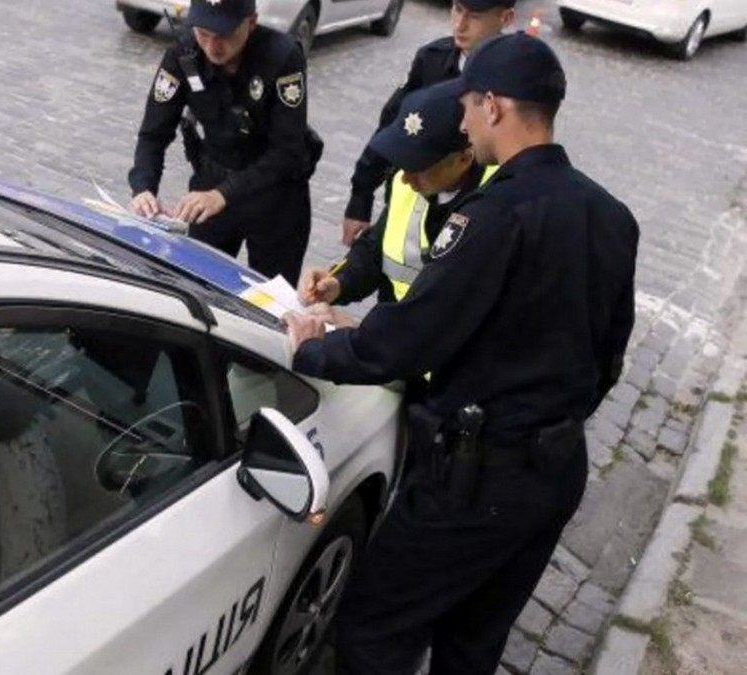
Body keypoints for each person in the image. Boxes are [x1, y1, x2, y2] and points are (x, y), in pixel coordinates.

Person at [284, 33, 639, 674]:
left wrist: (315, 350)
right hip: (555, 470)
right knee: (474, 641)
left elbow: (409, 339)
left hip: (474, 481)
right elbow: (609, 357)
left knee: (374, 625)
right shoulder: (611, 214)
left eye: (471, 108)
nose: (467, 125)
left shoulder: (493, 215)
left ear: (494, 106)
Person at [127, 0, 321, 286]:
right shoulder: (184, 54)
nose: (212, 46)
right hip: (213, 181)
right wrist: (144, 188)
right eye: (203, 33)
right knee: (195, 283)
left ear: (251, 23)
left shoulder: (281, 57)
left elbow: (288, 152)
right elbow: (153, 134)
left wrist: (224, 194)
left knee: (271, 299)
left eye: (224, 35)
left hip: (274, 195)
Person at [299, 81, 495, 326]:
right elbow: (378, 245)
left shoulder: (496, 207)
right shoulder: (408, 183)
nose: (405, 177)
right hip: (392, 330)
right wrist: (340, 282)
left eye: (419, 166)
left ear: (464, 158)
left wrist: (360, 333)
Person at [341, 0, 516, 247]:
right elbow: (392, 125)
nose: (460, 24)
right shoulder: (432, 59)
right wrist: (360, 199)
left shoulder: (516, 80)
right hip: (414, 195)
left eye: (474, 16)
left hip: (473, 214)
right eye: (457, 9)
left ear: (505, 18)